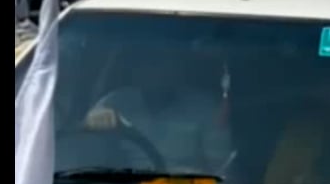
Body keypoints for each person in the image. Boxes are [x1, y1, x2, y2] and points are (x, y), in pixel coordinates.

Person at [76, 48, 232, 176]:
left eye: (165, 64)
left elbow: (222, 168)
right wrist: (92, 124)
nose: (156, 72)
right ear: (136, 71)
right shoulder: (114, 103)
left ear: (178, 69)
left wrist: (197, 176)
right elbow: (79, 150)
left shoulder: (204, 107)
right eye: (149, 64)